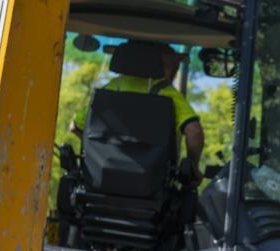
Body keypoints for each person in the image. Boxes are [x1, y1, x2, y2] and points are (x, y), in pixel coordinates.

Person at [71, 42, 205, 183]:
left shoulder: (109, 89)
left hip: (101, 181)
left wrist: (98, 151)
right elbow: (194, 131)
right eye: (172, 67)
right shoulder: (168, 94)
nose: (174, 74)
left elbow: (75, 126)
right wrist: (193, 166)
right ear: (156, 65)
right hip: (152, 184)